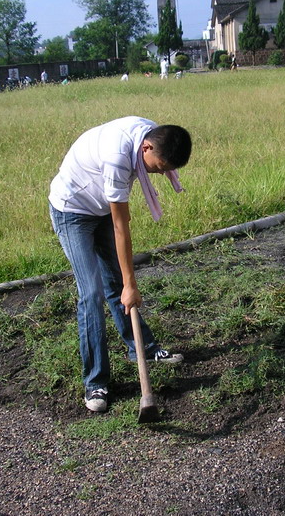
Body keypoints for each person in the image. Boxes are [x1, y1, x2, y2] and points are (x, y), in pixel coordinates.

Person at [48, 116, 192, 413]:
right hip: (72, 210)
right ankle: (95, 382)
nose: (159, 173)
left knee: (116, 283)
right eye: (160, 167)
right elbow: (120, 224)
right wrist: (131, 284)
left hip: (99, 205)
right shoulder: (117, 158)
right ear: (147, 148)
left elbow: (118, 220)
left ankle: (142, 349)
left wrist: (126, 284)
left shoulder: (150, 134)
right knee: (92, 294)